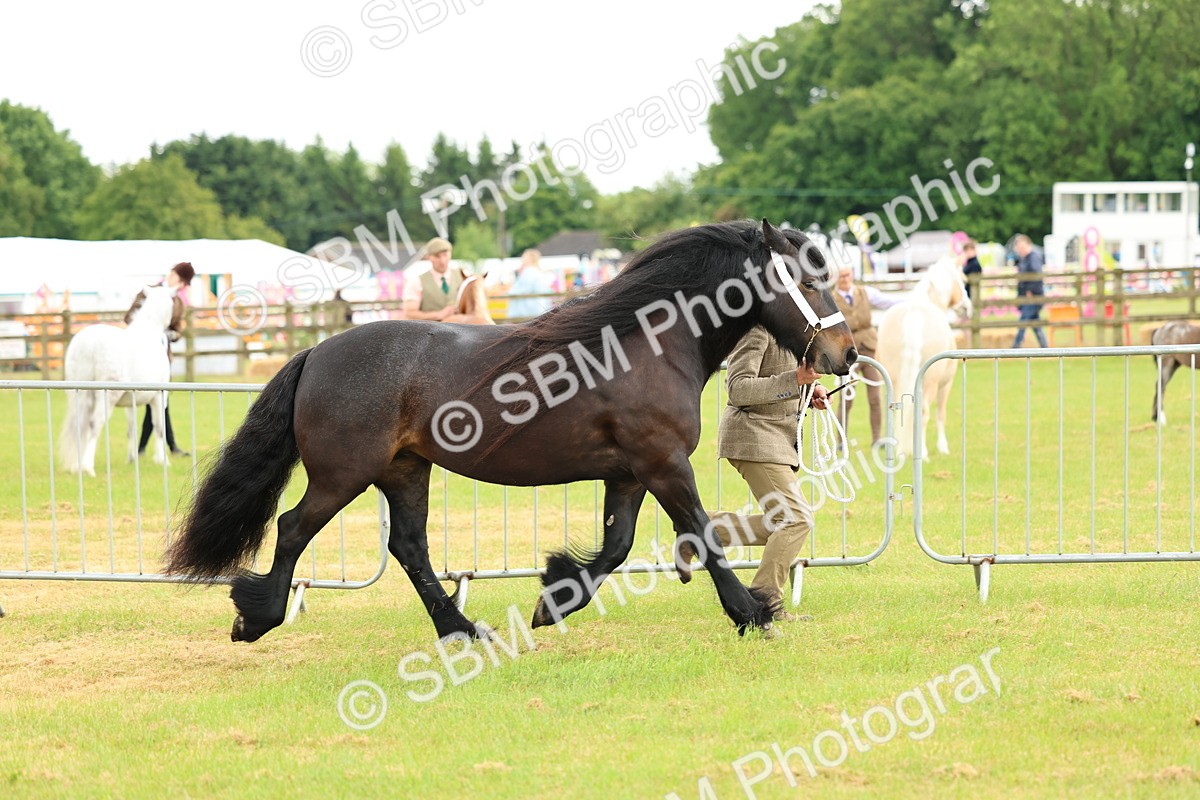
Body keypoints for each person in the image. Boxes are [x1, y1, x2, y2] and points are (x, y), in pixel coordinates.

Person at [675, 325, 829, 627]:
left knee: (780, 525)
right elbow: (739, 389)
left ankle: (699, 530)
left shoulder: (791, 329)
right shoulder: (756, 329)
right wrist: (795, 380)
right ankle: (763, 602)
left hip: (774, 441)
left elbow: (779, 379)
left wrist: (807, 391)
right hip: (753, 437)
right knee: (796, 520)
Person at [125, 261, 194, 457]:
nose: (177, 282)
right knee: (156, 400)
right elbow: (129, 317)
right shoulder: (148, 292)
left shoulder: (178, 302)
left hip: (161, 356)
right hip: (138, 352)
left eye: (181, 281)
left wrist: (166, 335)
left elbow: (178, 330)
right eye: (176, 276)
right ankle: (163, 446)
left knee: (159, 400)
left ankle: (149, 448)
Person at [832, 264, 902, 445]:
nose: (845, 279)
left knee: (875, 398)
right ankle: (841, 441)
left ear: (852, 275)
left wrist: (911, 302)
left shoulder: (865, 293)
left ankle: (877, 439)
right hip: (847, 353)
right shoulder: (831, 300)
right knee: (846, 398)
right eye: (841, 276)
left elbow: (889, 302)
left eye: (847, 275)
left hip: (870, 349)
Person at [402, 238, 467, 321]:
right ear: (429, 257)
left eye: (445, 255)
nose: (442, 261)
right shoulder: (417, 282)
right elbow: (409, 314)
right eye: (437, 256)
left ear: (450, 254)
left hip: (460, 331)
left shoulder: (463, 276)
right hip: (430, 332)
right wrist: (438, 315)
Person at [1011, 234, 1049, 348]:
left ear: (1028, 245)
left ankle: (1016, 346)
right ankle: (1045, 347)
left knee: (1023, 321)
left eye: (1022, 247)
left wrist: (1030, 291)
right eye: (1019, 248)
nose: (1020, 250)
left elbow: (1036, 276)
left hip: (1032, 297)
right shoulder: (1026, 259)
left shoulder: (1033, 258)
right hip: (1029, 296)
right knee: (1035, 324)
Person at [505, 249, 554, 319]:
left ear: (530, 258)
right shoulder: (535, 271)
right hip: (535, 309)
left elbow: (524, 289)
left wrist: (510, 292)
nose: (522, 258)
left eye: (524, 256)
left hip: (529, 310)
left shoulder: (530, 272)